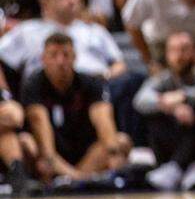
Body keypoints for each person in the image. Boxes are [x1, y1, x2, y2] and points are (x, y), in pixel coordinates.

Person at [22, 33, 132, 183]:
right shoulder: (33, 85)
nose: (60, 61)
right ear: (43, 59)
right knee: (28, 145)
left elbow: (104, 121)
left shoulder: (91, 83)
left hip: (85, 154)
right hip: (52, 156)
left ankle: (75, 182)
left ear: (74, 57)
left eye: (66, 55)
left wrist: (113, 153)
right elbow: (42, 133)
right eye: (54, 55)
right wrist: (64, 170)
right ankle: (76, 181)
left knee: (121, 141)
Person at [133, 32, 195, 192]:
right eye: (174, 50)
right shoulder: (162, 79)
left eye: (184, 49)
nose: (179, 56)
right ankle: (176, 168)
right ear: (167, 55)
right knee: (155, 113)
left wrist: (185, 96)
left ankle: (191, 168)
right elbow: (140, 100)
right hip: (170, 146)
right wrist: (170, 107)